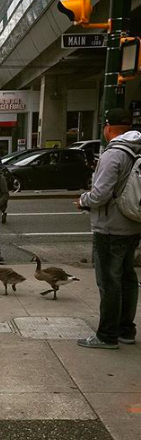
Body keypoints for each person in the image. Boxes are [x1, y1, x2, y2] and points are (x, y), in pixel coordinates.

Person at [77, 108, 141, 349]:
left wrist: (83, 200)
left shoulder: (113, 154)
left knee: (109, 282)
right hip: (133, 222)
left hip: (110, 227)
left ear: (107, 126)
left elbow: (100, 194)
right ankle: (126, 330)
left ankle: (106, 336)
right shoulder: (137, 150)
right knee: (127, 278)